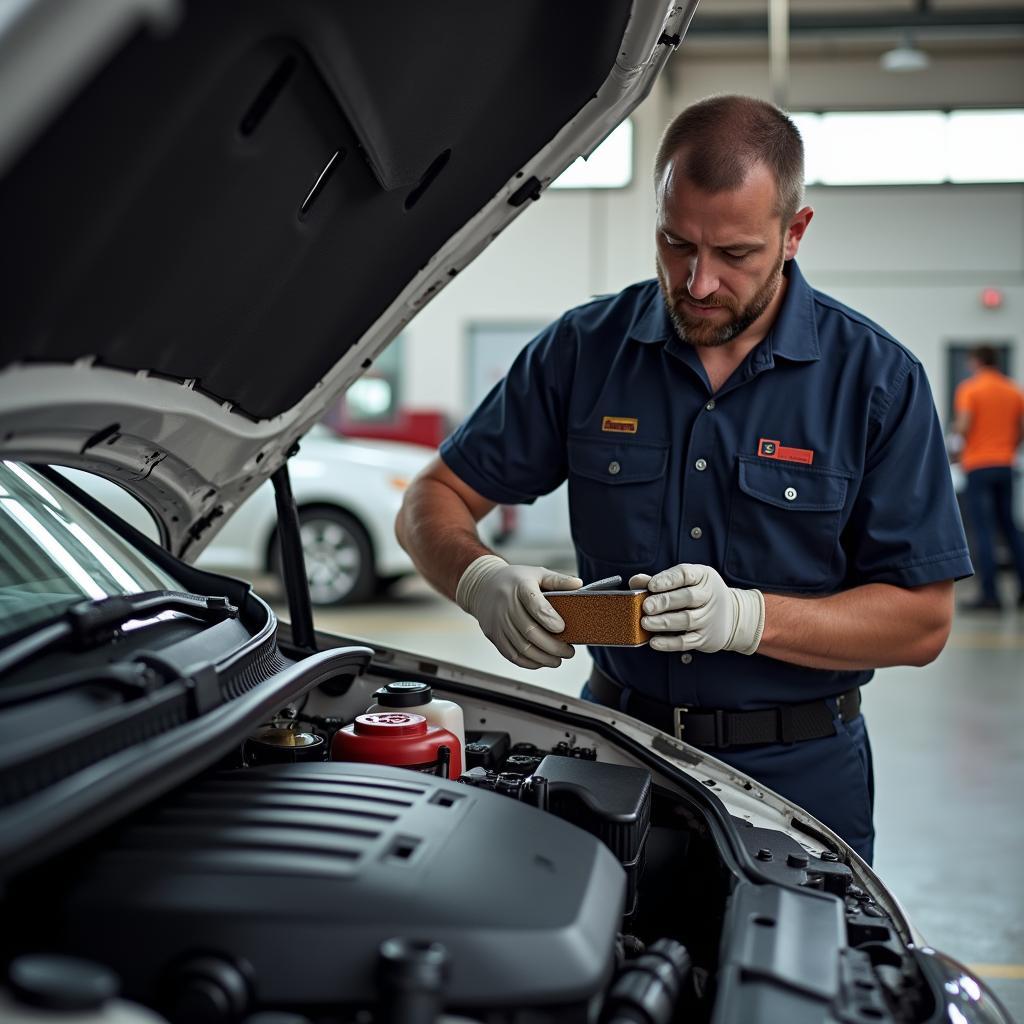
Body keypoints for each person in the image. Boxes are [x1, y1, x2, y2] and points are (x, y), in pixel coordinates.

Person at [395, 95, 972, 864]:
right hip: (612, 753)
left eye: (735, 255)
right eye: (675, 245)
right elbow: (430, 500)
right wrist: (481, 580)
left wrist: (748, 618)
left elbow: (923, 621)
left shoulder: (874, 380)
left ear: (793, 234)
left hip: (798, 780)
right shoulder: (583, 351)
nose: (698, 284)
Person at [952, 345, 1024, 609]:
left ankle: (990, 595)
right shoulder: (1013, 390)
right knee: (1010, 527)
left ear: (976, 361)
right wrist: (1007, 449)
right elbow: (1020, 430)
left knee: (983, 529)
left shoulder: (970, 389)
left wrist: (956, 450)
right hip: (1005, 465)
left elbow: (963, 425)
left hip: (978, 465)